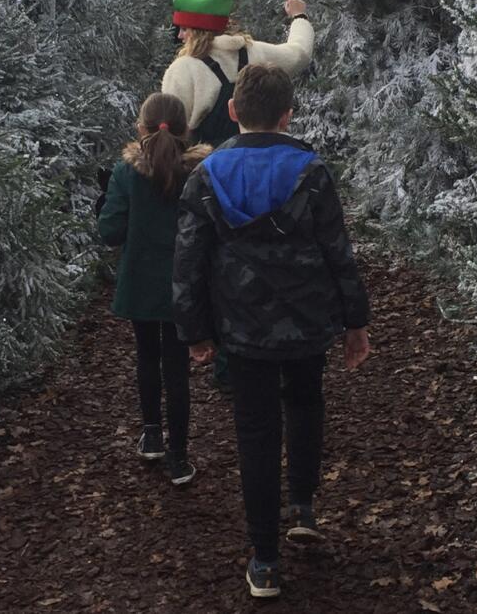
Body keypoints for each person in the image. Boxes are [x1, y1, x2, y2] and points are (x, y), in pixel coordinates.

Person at [173, 64, 371, 598]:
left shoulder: (207, 174)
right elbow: (337, 251)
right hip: (307, 322)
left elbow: (188, 260)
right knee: (306, 402)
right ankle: (302, 506)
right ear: (288, 116)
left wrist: (194, 330)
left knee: (255, 432)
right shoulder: (312, 170)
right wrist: (355, 321)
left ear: (233, 111)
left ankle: (264, 559)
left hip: (242, 328)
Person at [162, 0, 315, 392]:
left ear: (194, 32)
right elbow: (299, 54)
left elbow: (171, 132)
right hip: (269, 179)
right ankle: (279, 349)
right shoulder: (257, 53)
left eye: (181, 30)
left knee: (218, 269)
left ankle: (234, 364)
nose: (177, 38)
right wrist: (298, 16)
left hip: (214, 187)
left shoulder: (185, 71)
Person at [98, 93, 211, 486]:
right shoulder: (200, 172)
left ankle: (151, 435)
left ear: (140, 127)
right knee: (177, 369)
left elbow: (110, 231)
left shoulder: (125, 173)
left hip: (140, 281)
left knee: (147, 356)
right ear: (186, 128)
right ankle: (179, 457)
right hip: (185, 284)